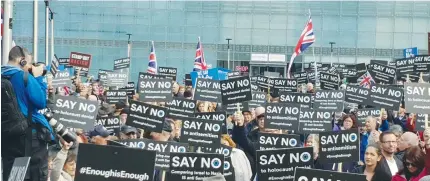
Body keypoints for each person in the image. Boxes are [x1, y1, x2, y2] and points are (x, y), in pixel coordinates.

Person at [2, 46, 54, 181]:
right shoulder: (23, 76)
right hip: (30, 134)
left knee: (14, 176)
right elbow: (41, 101)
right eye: (29, 63)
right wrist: (38, 78)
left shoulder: (2, 75)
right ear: (22, 61)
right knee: (35, 174)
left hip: (8, 135)